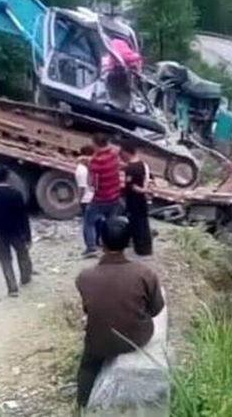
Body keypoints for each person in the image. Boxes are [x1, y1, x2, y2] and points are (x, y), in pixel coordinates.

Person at [75, 217, 164, 408]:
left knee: (88, 365)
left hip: (99, 340)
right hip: (136, 338)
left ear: (100, 241)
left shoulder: (84, 277)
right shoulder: (145, 273)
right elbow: (156, 309)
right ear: (129, 241)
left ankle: (82, 405)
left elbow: (90, 310)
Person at [0, 164, 32, 297]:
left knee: (5, 260)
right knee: (22, 254)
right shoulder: (15, 194)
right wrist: (28, 235)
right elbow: (23, 216)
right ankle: (25, 278)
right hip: (16, 231)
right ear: (8, 176)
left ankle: (12, 288)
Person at [83, 133, 121, 257]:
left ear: (96, 144)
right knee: (111, 222)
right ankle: (111, 245)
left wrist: (87, 164)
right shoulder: (114, 154)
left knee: (89, 222)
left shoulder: (95, 162)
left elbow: (92, 183)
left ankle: (91, 248)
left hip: (101, 198)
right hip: (115, 197)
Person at [120, 140, 153, 257]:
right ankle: (146, 248)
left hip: (134, 200)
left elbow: (133, 187)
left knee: (136, 224)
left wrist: (143, 190)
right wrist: (147, 191)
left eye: (121, 152)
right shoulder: (143, 165)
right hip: (142, 200)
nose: (121, 155)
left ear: (126, 152)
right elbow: (150, 180)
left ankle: (140, 248)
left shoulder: (131, 168)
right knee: (144, 223)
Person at [75, 146, 96, 251]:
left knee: (88, 224)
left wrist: (78, 200)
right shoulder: (89, 167)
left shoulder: (80, 169)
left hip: (86, 200)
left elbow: (82, 187)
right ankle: (96, 243)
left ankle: (91, 247)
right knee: (94, 222)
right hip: (92, 197)